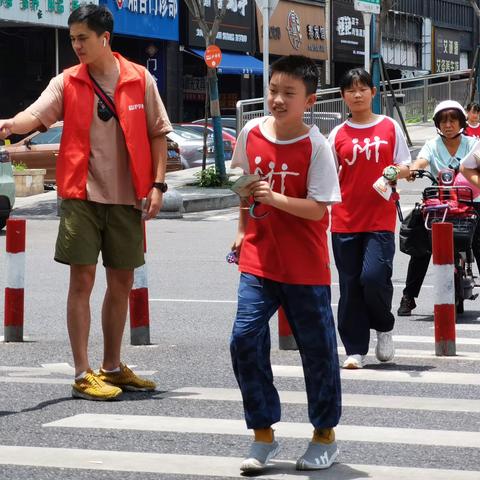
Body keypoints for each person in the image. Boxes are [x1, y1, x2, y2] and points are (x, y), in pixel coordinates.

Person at [0, 5, 172, 400]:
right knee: (82, 280)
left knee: (122, 281)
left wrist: (158, 185)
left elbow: (158, 133)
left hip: (128, 195)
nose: (76, 45)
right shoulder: (67, 82)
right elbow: (32, 115)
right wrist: (8, 126)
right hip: (81, 194)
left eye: (82, 38)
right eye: (72, 38)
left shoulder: (139, 79)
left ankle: (112, 367)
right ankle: (82, 373)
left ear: (104, 38)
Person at [229, 55, 342, 473]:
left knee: (317, 353)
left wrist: (273, 199)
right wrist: (242, 228)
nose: (276, 100)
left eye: (288, 94)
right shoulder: (250, 131)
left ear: (309, 101)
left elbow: (319, 211)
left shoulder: (317, 145)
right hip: (258, 259)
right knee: (243, 340)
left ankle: (324, 435)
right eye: (273, 90)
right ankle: (263, 435)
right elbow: (241, 183)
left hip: (305, 267)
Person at [329, 69, 411, 369]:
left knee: (373, 278)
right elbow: (326, 176)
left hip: (379, 219)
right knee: (350, 286)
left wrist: (394, 172)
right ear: (343, 97)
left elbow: (407, 166)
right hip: (344, 220)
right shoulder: (337, 134)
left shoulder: (389, 127)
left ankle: (384, 326)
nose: (358, 94)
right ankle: (354, 349)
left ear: (374, 93)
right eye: (351, 90)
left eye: (363, 88)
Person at [398, 100, 478, 316]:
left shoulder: (473, 144)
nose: (448, 125)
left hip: (471, 203)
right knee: (421, 247)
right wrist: (413, 170)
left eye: (453, 120)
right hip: (440, 205)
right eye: (443, 121)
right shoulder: (432, 145)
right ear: (437, 124)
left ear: (461, 122)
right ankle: (409, 296)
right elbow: (421, 161)